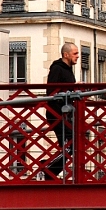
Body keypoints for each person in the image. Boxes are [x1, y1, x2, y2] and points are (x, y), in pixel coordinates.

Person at [42, 42, 79, 179]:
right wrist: (72, 90)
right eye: (75, 53)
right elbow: (52, 91)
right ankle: (47, 169)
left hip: (65, 113)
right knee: (70, 145)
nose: (78, 56)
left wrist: (74, 89)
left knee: (71, 144)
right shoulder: (58, 69)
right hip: (57, 113)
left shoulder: (68, 69)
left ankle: (49, 170)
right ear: (66, 55)